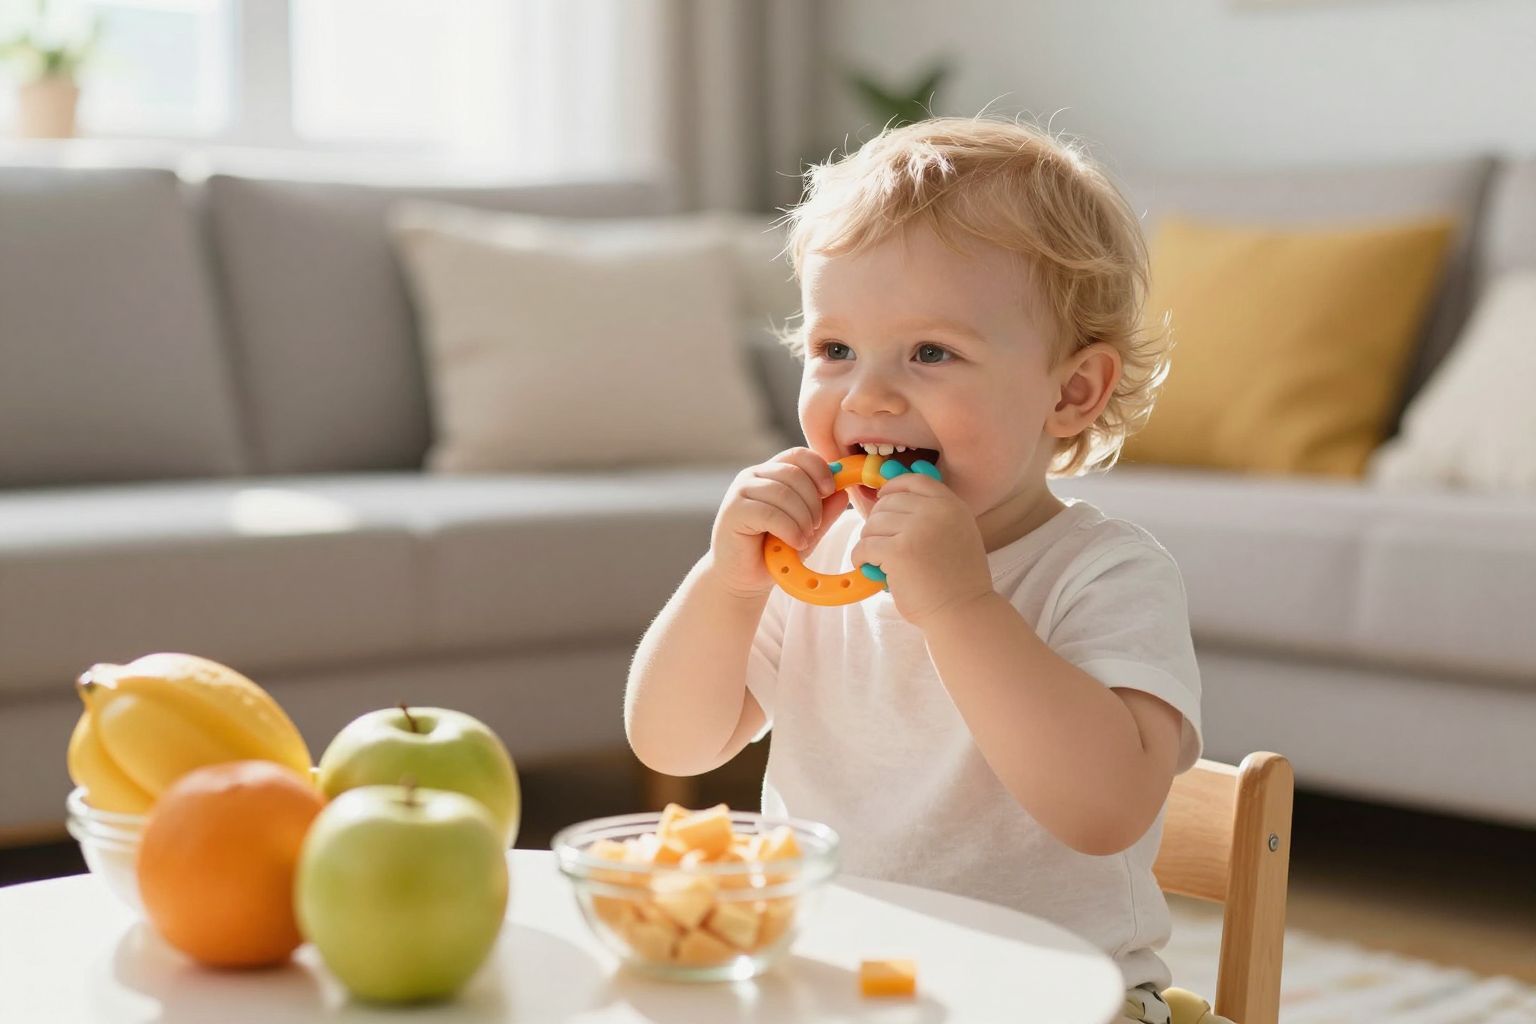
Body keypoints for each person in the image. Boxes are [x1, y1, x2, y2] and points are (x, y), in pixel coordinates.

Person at [625, 116, 1219, 1024]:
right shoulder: (816, 558)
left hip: (1056, 998)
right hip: (834, 986)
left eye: (931, 353)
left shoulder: (1104, 575)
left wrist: (960, 605)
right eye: (834, 351)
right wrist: (726, 583)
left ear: (1071, 392)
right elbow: (672, 744)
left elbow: (1103, 812)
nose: (867, 396)